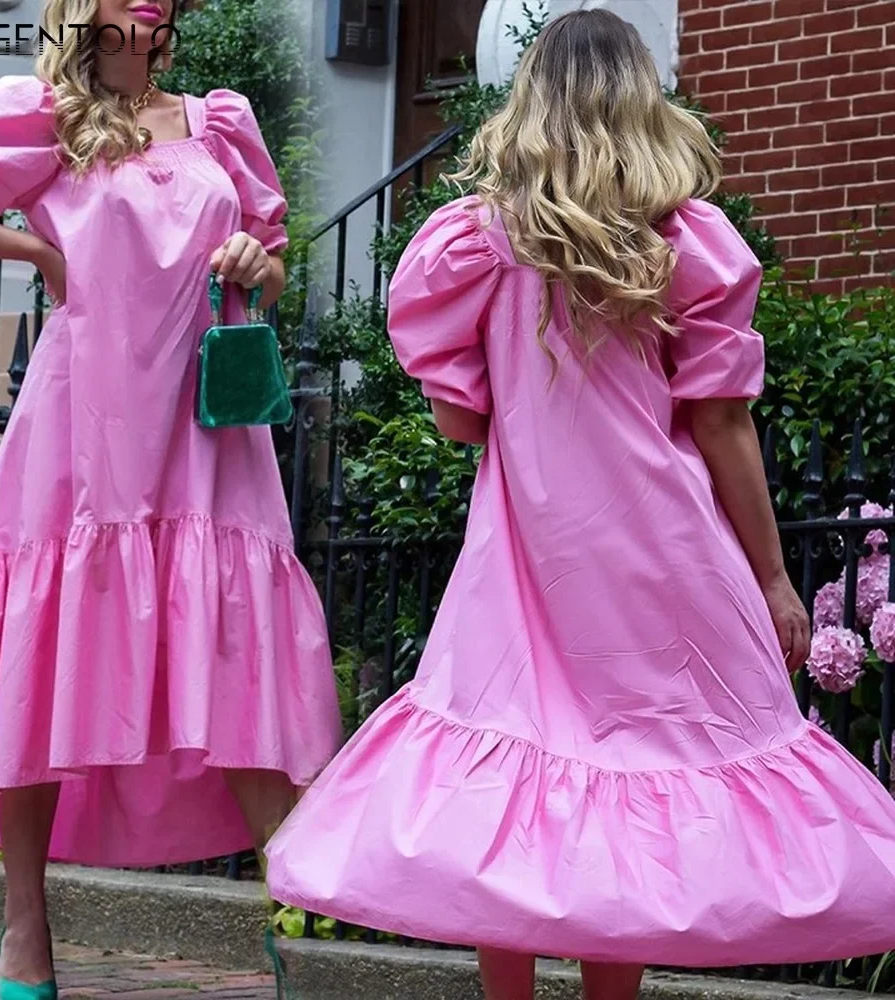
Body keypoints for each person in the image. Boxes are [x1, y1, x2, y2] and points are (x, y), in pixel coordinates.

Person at [264, 10, 895, 1000]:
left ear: (532, 101)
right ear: (641, 99)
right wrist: (771, 577)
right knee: (633, 789)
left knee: (503, 795)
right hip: (660, 556)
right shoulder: (686, 245)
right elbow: (724, 429)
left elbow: (463, 425)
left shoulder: (475, 244)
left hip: (526, 558)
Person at [0, 0, 341, 997]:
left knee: (235, 655)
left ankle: (292, 914)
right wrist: (35, 253)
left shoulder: (219, 119)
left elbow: (270, 269)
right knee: (37, 656)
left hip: (206, 431)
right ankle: (24, 928)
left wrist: (253, 266)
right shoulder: (40, 112)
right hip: (83, 423)